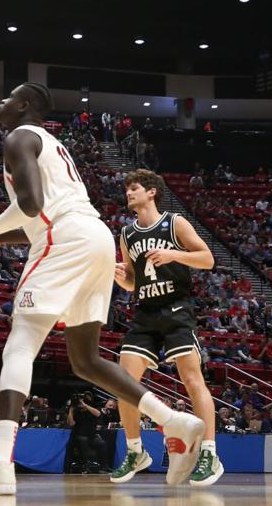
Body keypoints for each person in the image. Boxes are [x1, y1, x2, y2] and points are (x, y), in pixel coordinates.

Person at [0, 83, 203, 495]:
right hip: (96, 239)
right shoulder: (52, 143)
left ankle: (0, 463)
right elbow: (44, 215)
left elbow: (33, 204)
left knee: (19, 344)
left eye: (7, 97)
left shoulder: (18, 136)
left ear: (24, 106)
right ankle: (173, 421)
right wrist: (3, 239)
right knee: (86, 360)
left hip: (67, 240)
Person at [110, 169, 222, 486]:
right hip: (145, 311)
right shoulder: (127, 233)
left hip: (176, 308)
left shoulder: (175, 223)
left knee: (191, 378)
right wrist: (124, 280)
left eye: (134, 188)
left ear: (152, 192)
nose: (129, 193)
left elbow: (207, 259)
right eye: (128, 189)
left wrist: (173, 253)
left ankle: (210, 454)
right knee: (123, 381)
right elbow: (133, 280)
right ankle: (135, 451)